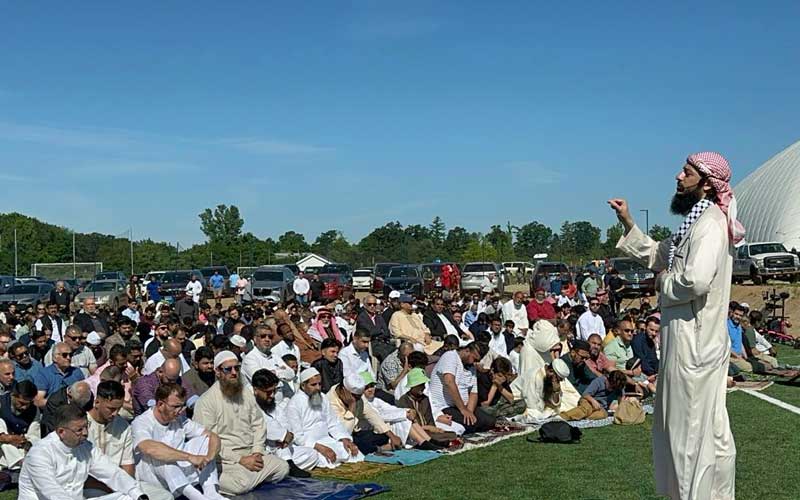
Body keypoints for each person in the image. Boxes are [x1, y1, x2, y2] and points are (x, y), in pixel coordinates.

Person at [610, 151, 744, 499]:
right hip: (691, 344)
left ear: (707, 183)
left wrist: (663, 283)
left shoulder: (710, 225)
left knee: (689, 437)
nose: (678, 177)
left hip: (694, 347)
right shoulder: (696, 222)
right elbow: (659, 254)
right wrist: (628, 222)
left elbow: (695, 280)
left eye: (686, 172)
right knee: (706, 434)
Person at [193, 351, 289, 496]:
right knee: (240, 484)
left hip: (251, 453)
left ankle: (251, 477)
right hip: (225, 461)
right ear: (217, 372)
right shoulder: (206, 401)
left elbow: (258, 424)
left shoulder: (245, 394)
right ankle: (242, 479)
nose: (234, 373)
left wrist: (257, 452)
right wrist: (241, 460)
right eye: (228, 369)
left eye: (237, 368)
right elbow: (206, 441)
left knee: (282, 468)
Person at [19, 403, 147, 500]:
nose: (85, 433)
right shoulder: (40, 453)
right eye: (79, 430)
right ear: (61, 432)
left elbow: (112, 472)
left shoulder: (87, 447)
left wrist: (138, 494)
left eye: (86, 427)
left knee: (129, 496)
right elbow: (52, 492)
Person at [132, 382, 225, 500]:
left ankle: (211, 493)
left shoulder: (180, 419)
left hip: (179, 473)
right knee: (163, 456)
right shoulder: (142, 422)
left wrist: (208, 458)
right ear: (160, 404)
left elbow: (213, 436)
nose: (180, 411)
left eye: (182, 406)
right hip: (154, 479)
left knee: (205, 441)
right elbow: (148, 448)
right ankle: (197, 497)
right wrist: (189, 457)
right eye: (175, 406)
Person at [85, 381, 173, 500]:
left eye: (119, 409)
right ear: (97, 402)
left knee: (165, 496)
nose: (115, 413)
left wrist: (126, 487)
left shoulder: (122, 426)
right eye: (111, 409)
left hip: (122, 484)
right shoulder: (81, 426)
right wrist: (109, 487)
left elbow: (128, 465)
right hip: (93, 487)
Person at [284, 368, 363, 469]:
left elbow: (333, 423)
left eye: (320, 384)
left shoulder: (323, 398)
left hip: (327, 441)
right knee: (316, 456)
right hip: (309, 445)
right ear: (303, 386)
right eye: (313, 385)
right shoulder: (294, 404)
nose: (318, 388)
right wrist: (321, 448)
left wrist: (344, 438)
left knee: (352, 452)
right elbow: (297, 436)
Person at [251, 369, 315, 476]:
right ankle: (288, 465)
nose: (272, 395)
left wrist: (286, 436)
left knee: (312, 454)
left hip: (281, 448)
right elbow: (264, 424)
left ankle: (285, 465)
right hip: (261, 450)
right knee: (278, 445)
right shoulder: (249, 404)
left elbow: (285, 422)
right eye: (268, 392)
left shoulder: (272, 404)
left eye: (274, 391)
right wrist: (283, 435)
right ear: (256, 390)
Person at [428, 342, 495, 434]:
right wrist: (463, 409)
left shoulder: (471, 367)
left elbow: (473, 392)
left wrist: (469, 411)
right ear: (467, 351)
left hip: (462, 406)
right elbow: (449, 382)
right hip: (444, 405)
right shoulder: (450, 356)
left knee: (489, 421)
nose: (474, 362)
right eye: (474, 358)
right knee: (471, 425)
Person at [327, 372, 402, 455]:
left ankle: (374, 447)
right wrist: (352, 406)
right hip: (341, 437)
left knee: (383, 436)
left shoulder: (357, 395)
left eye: (359, 397)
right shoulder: (330, 401)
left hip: (356, 432)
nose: (357, 400)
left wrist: (391, 435)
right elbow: (344, 432)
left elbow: (371, 414)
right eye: (356, 397)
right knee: (356, 443)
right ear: (344, 391)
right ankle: (379, 449)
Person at [0, 381, 40, 480]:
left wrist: (23, 442)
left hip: (20, 447)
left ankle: (18, 464)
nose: (25, 407)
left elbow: (34, 436)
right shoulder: (1, 402)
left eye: (28, 404)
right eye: (22, 403)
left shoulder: (34, 410)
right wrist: (8, 438)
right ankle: (20, 463)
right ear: (13, 395)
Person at [132, 359, 196, 416]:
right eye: (169, 380)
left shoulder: (176, 379)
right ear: (160, 372)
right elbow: (152, 407)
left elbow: (192, 399)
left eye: (175, 380)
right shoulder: (144, 383)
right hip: (149, 420)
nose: (173, 383)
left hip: (176, 419)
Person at [33, 342, 85, 408]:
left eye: (70, 355)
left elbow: (84, 394)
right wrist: (60, 403)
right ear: (55, 358)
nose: (68, 358)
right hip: (53, 410)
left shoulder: (77, 372)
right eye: (64, 355)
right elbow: (38, 401)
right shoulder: (43, 374)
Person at [560, 370, 627, 421]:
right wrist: (593, 401)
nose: (612, 389)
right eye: (612, 386)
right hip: (588, 401)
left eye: (614, 388)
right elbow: (585, 394)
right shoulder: (599, 381)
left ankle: (583, 417)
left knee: (603, 414)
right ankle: (562, 417)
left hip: (601, 408)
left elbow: (621, 399)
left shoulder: (618, 387)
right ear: (608, 379)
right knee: (586, 409)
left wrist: (620, 410)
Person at [357, 294, 394, 362]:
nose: (372, 306)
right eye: (369, 304)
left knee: (396, 350)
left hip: (382, 342)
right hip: (371, 344)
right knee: (385, 354)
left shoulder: (379, 317)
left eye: (374, 304)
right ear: (365, 305)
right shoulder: (362, 317)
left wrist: (377, 333)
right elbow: (369, 332)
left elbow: (386, 332)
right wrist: (380, 331)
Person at [727, 302, 751, 373]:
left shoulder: (739, 326)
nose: (738, 317)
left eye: (740, 315)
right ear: (732, 313)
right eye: (736, 314)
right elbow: (726, 346)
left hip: (739, 356)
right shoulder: (726, 325)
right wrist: (737, 357)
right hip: (731, 357)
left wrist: (745, 357)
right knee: (749, 367)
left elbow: (740, 343)